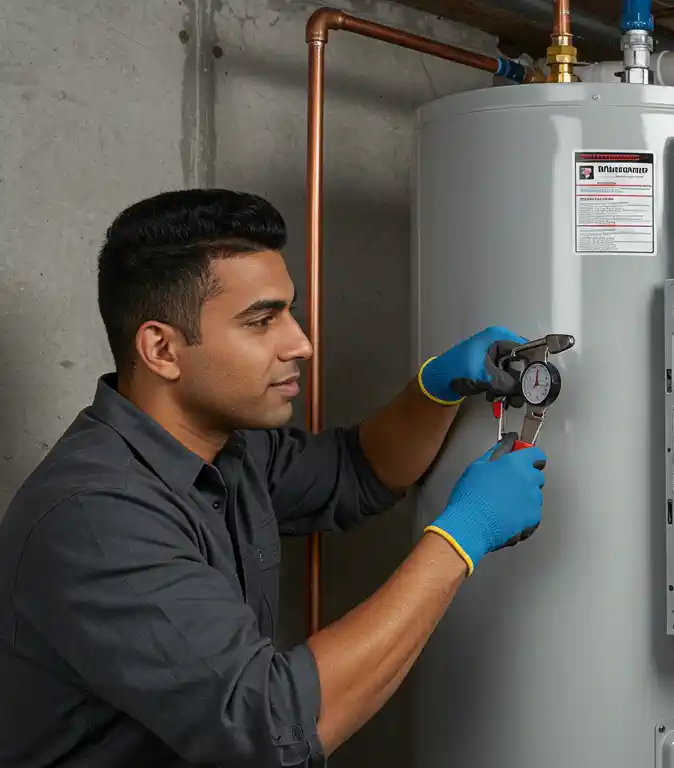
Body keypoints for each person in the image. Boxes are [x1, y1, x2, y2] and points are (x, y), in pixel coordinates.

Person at [0, 189, 547, 767]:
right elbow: (271, 731)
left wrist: (436, 388)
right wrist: (463, 536)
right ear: (161, 348)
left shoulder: (228, 450)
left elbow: (357, 471)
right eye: (262, 321)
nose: (301, 344)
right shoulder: (98, 519)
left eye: (289, 312)